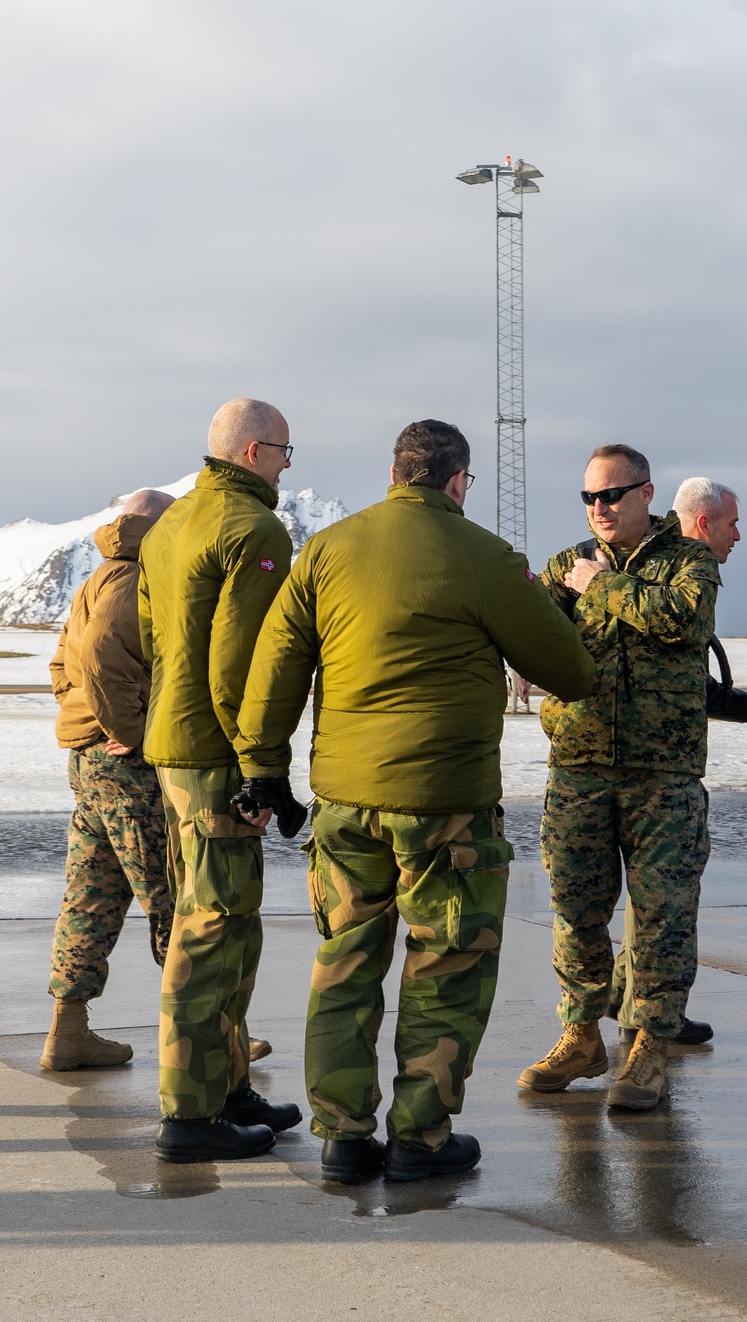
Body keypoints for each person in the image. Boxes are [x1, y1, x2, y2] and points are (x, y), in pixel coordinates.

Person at [234, 419, 595, 1184]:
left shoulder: (328, 550)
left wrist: (264, 770)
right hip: (448, 807)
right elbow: (570, 670)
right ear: (458, 480)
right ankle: (420, 1139)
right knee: (447, 965)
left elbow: (275, 667)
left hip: (343, 804)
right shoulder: (486, 557)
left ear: (396, 472)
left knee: (344, 964)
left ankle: (342, 1137)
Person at [518, 444, 720, 1112]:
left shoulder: (688, 560)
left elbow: (679, 621)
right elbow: (523, 620)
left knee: (662, 915)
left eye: (611, 494)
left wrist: (598, 587)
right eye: (589, 498)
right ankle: (580, 1036)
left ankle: (649, 1048)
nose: (599, 508)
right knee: (576, 909)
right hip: (578, 767)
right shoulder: (564, 564)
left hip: (662, 775)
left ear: (646, 494)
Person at [139, 398, 301, 1163]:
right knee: (213, 929)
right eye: (283, 453)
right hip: (215, 752)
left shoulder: (170, 524)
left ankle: (227, 1085)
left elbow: (151, 637)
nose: (285, 467)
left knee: (230, 921)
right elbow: (247, 662)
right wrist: (262, 766)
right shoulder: (255, 529)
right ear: (251, 450)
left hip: (174, 746)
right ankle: (189, 1115)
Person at [608, 476, 747, 1040]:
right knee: (663, 900)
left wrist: (744, 703)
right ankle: (649, 1017)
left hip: (646, 760)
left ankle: (624, 999)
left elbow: (682, 680)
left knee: (651, 898)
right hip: (645, 768)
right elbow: (672, 673)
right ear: (704, 523)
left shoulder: (664, 569)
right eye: (732, 523)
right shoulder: (662, 573)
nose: (739, 535)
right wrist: (744, 705)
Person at [41, 490, 176, 1072]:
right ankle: (216, 1037)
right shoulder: (134, 576)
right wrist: (135, 729)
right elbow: (97, 658)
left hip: (92, 763)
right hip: (124, 765)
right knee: (174, 895)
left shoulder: (100, 575)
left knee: (92, 896)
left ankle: (67, 1034)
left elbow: (60, 665)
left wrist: (83, 716)